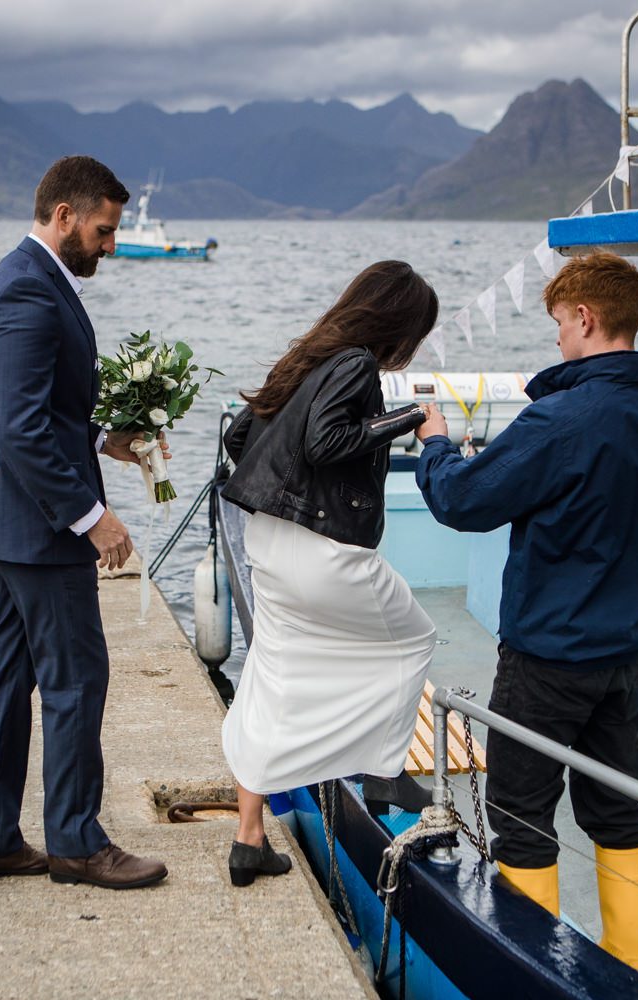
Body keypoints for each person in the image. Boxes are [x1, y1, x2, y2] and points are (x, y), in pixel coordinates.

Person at [413, 251, 638, 977]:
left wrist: (435, 444)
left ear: (585, 317)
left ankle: (531, 973)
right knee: (619, 812)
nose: (556, 341)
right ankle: (631, 971)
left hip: (547, 660)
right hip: (627, 658)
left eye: (558, 324)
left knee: (520, 816)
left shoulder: (561, 417)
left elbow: (463, 501)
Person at [0, 155, 168, 890]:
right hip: (39, 528)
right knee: (75, 680)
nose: (110, 245)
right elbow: (21, 428)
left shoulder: (29, 282)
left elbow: (43, 412)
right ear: (64, 215)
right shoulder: (29, 295)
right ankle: (75, 842)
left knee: (7, 680)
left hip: (9, 522)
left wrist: (107, 440)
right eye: (103, 230)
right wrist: (91, 517)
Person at [219, 260, 438, 887]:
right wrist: (412, 420)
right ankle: (383, 767)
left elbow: (242, 438)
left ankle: (249, 838)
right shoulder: (356, 363)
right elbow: (324, 441)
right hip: (323, 551)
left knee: (273, 673)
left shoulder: (303, 361)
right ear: (396, 323)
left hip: (268, 542)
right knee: (413, 640)